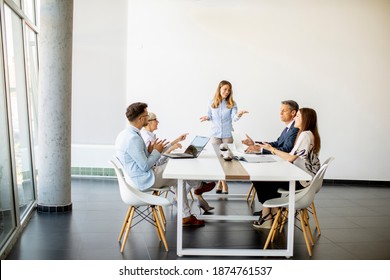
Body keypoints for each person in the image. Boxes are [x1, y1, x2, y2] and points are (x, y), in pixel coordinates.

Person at [115, 102, 216, 227]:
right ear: (141, 118)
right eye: (146, 115)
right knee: (180, 173)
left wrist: (150, 151)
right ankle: (197, 189)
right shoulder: (133, 138)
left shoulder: (125, 134)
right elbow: (145, 166)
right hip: (145, 179)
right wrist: (156, 151)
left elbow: (139, 160)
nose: (148, 117)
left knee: (178, 173)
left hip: (138, 177)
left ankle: (188, 212)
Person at [252, 107, 321, 229]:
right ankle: (272, 211)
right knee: (265, 179)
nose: (295, 118)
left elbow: (290, 158)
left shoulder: (305, 135)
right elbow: (291, 156)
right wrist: (270, 148)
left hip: (301, 181)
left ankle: (268, 214)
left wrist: (272, 149)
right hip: (301, 177)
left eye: (298, 116)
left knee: (260, 178)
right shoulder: (307, 134)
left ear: (306, 119)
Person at [140, 112, 215, 212]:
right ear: (149, 122)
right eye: (156, 120)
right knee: (183, 171)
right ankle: (198, 187)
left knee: (184, 168)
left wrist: (177, 140)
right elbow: (156, 161)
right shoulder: (147, 138)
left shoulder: (149, 135)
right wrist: (170, 150)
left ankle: (195, 191)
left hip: (155, 170)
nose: (158, 122)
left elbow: (159, 151)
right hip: (154, 172)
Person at [243, 100, 299, 216]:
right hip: (283, 165)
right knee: (258, 175)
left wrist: (260, 149)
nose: (280, 113)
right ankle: (269, 208)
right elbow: (277, 143)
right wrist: (256, 144)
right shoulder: (288, 128)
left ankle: (269, 209)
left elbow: (286, 150)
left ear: (293, 113)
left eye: (284, 111)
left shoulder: (294, 129)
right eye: (280, 111)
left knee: (259, 176)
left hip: (289, 171)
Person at [200, 80, 248, 194]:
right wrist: (207, 118)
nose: (227, 92)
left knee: (226, 161)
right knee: (217, 160)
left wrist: (239, 115)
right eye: (225, 89)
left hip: (227, 135)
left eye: (229, 90)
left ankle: (221, 183)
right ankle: (224, 183)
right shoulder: (211, 102)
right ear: (219, 89)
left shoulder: (232, 103)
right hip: (215, 134)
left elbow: (234, 118)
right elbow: (210, 115)